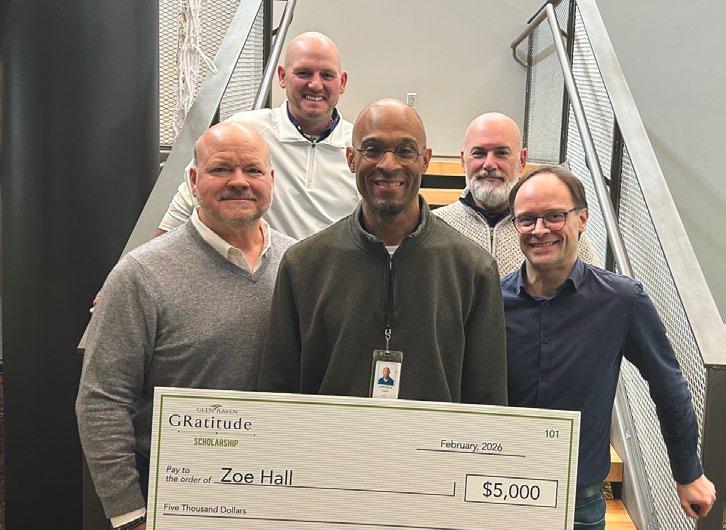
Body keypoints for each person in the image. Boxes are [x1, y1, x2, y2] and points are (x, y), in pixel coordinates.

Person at [76, 123, 294, 530]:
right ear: (193, 180)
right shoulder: (140, 275)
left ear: (271, 180)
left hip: (275, 489)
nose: (239, 182)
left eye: (252, 170)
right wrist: (131, 516)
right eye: (221, 169)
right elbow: (102, 400)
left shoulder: (298, 264)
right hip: (172, 496)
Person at [502, 165, 716, 527]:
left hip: (578, 502)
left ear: (582, 219)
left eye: (554, 216)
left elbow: (668, 386)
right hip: (497, 489)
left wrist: (688, 472)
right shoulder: (492, 301)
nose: (539, 230)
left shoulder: (622, 301)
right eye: (527, 220)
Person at [257, 98, 507, 405]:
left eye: (405, 151)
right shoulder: (303, 266)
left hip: (430, 439)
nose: (388, 165)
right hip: (329, 438)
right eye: (372, 150)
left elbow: (487, 401)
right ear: (351, 159)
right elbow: (276, 393)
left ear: (425, 160)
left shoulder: (473, 270)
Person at [158, 31, 359, 240]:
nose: (315, 85)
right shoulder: (244, 132)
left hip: (334, 262)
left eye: (327, 75)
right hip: (258, 260)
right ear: (282, 76)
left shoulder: (362, 149)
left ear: (342, 82)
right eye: (303, 73)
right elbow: (181, 212)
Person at [434, 112, 598, 276]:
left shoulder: (557, 232)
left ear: (522, 159)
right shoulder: (435, 227)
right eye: (479, 153)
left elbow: (592, 285)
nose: (489, 164)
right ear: (463, 160)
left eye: (501, 153)